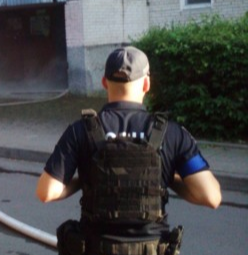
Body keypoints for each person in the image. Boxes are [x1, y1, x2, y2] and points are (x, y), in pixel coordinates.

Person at [36, 46, 221, 255]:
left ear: (104, 82)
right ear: (146, 83)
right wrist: (166, 177)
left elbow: (46, 192)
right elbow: (211, 196)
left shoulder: (80, 131)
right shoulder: (172, 134)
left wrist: (87, 179)